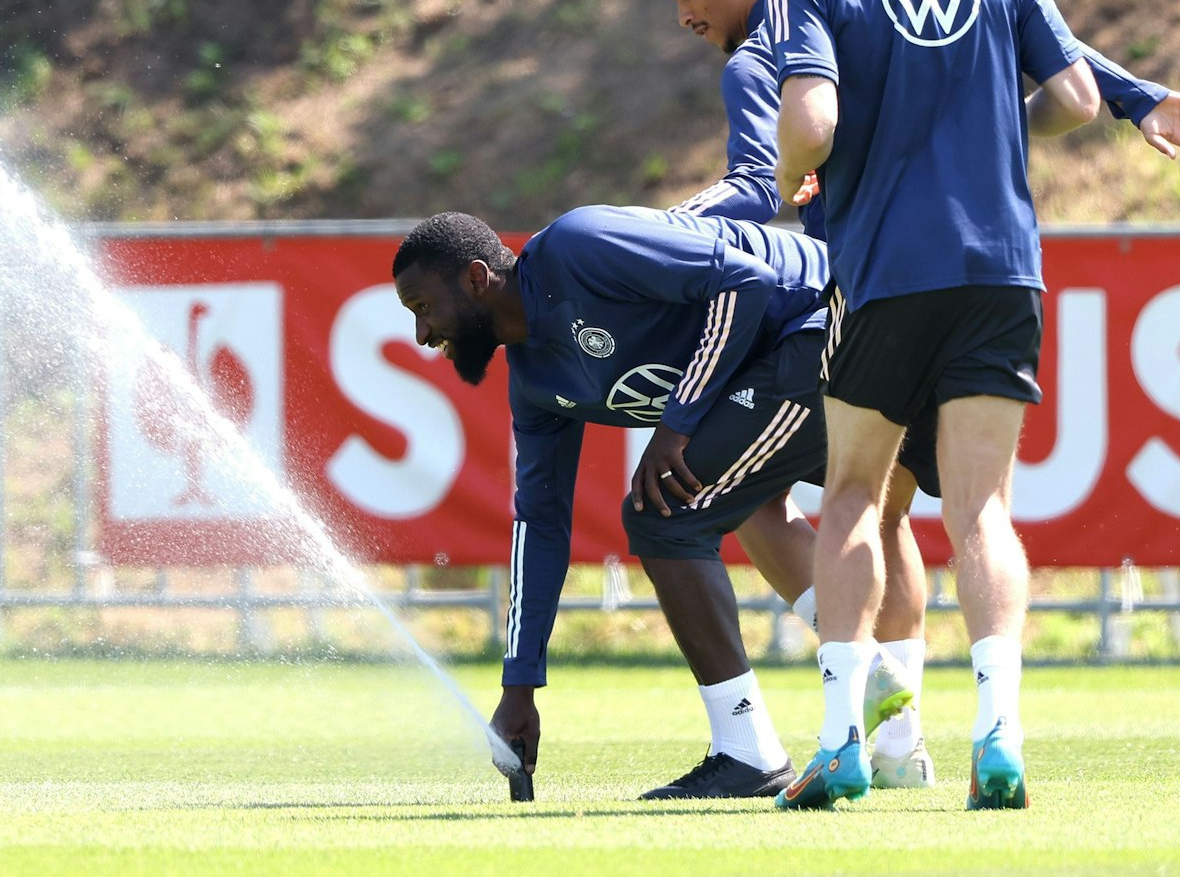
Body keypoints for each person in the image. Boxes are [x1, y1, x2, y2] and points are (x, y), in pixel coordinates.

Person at [619, 0, 1180, 788]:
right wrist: (1133, 98)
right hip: (993, 275)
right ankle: (921, 736)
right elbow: (1024, 47)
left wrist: (654, 231)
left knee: (799, 504)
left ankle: (854, 725)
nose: (683, 14)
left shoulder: (779, 27)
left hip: (869, 289)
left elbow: (763, 176)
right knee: (932, 511)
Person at [765, 0, 1180, 811]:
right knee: (980, 513)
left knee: (847, 500)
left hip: (883, 269)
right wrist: (991, 128)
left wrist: (788, 185)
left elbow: (811, 122)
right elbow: (1067, 93)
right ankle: (999, 736)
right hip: (999, 270)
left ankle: (838, 741)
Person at [394, 207, 921, 801]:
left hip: (834, 319)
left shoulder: (576, 247)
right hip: (796, 355)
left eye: (422, 308)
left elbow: (745, 281)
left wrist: (676, 424)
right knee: (745, 504)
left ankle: (750, 750)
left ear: (473, 279)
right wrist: (520, 687)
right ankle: (894, 728)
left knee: (665, 515)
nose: (423, 335)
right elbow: (540, 523)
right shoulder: (535, 383)